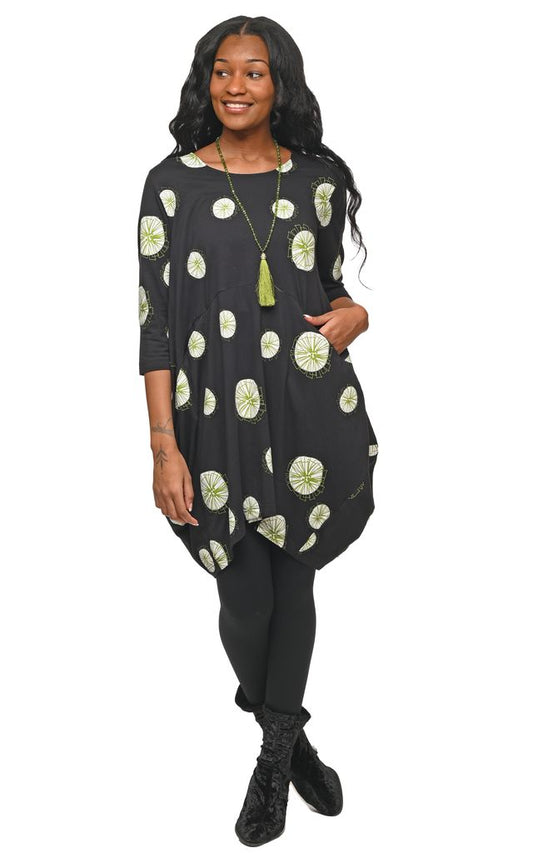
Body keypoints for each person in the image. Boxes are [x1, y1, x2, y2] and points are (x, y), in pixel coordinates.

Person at [137, 15, 379, 846]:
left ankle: (273, 760)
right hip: (209, 417)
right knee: (243, 595)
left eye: (253, 71)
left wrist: (358, 314)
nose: (234, 86)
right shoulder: (169, 184)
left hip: (306, 407)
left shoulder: (316, 179)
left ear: (280, 84)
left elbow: (329, 288)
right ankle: (291, 732)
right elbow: (155, 325)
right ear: (205, 81)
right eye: (221, 70)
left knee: (293, 584)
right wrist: (162, 445)